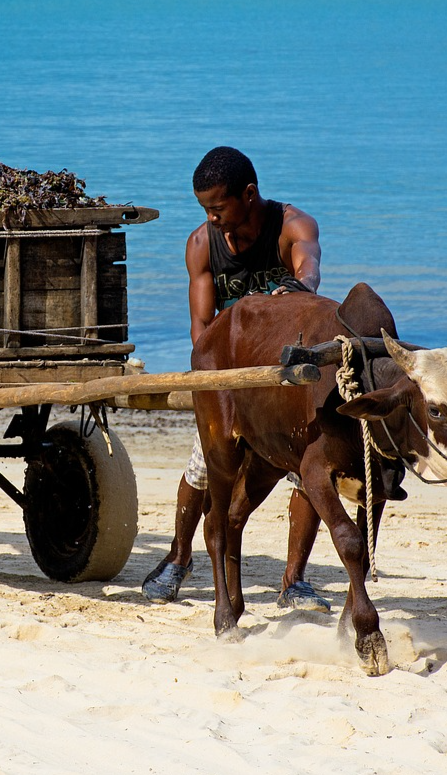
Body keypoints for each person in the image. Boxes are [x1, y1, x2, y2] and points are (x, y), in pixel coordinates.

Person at [142, 146, 329, 611]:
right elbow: (201, 330)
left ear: (248, 195)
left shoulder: (292, 227)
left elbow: (310, 266)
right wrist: (212, 390)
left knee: (306, 468)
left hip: (279, 374)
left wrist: (301, 287)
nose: (213, 218)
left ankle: (296, 581)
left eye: (218, 208)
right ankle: (179, 557)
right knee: (204, 465)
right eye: (205, 209)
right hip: (227, 375)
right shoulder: (202, 244)